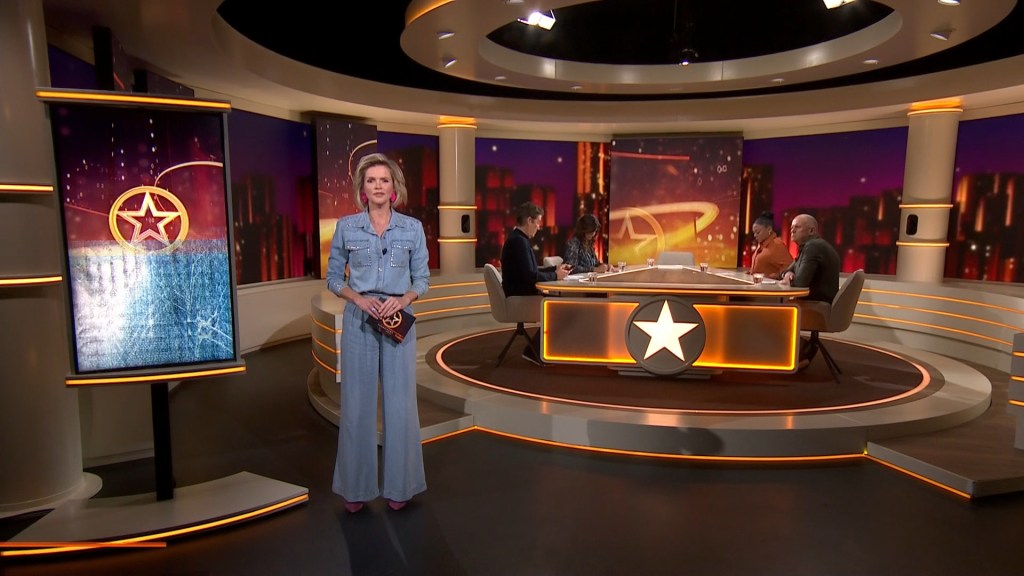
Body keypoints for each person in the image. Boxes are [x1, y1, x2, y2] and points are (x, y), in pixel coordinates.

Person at [326, 153, 430, 513]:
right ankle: (355, 488)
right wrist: (357, 298)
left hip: (399, 318)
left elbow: (423, 279)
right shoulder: (347, 227)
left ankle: (401, 485)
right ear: (363, 188)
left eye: (384, 180)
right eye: (371, 181)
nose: (378, 186)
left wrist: (403, 300)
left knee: (401, 405)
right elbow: (333, 278)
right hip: (360, 318)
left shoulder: (412, 228)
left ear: (394, 187)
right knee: (357, 404)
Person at [500, 202, 570, 364]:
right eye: (537, 222)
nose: (539, 227)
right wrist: (556, 275)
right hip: (520, 296)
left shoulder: (518, 239)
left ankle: (543, 349)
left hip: (521, 291)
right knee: (560, 306)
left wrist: (554, 269)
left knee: (561, 303)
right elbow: (531, 276)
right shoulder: (519, 242)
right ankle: (534, 351)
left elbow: (531, 271)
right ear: (529, 221)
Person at [779, 213, 841, 367]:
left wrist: (790, 277)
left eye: (797, 227)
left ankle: (798, 353)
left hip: (818, 306)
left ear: (811, 230)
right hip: (818, 302)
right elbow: (785, 272)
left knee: (772, 309)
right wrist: (788, 274)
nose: (792, 230)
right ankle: (802, 352)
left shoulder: (813, 247)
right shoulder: (808, 247)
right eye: (791, 227)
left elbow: (800, 283)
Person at [749, 211, 793, 279]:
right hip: (758, 283)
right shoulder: (761, 244)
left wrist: (776, 276)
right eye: (754, 233)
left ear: (769, 229)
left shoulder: (777, 244)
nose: (755, 235)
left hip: (771, 284)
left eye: (757, 232)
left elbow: (790, 267)